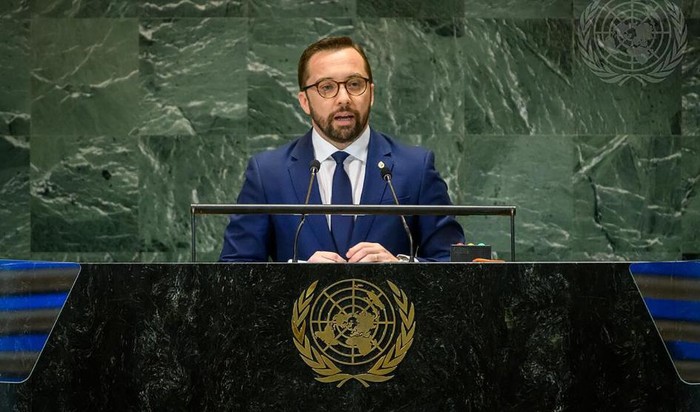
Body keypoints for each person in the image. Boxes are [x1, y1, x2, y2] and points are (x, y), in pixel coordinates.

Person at [219, 36, 464, 263]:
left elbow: (454, 263)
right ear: (305, 101)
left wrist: (400, 265)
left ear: (371, 94)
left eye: (355, 84)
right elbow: (233, 270)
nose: (343, 98)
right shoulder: (268, 174)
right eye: (327, 87)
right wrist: (292, 277)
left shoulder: (415, 168)